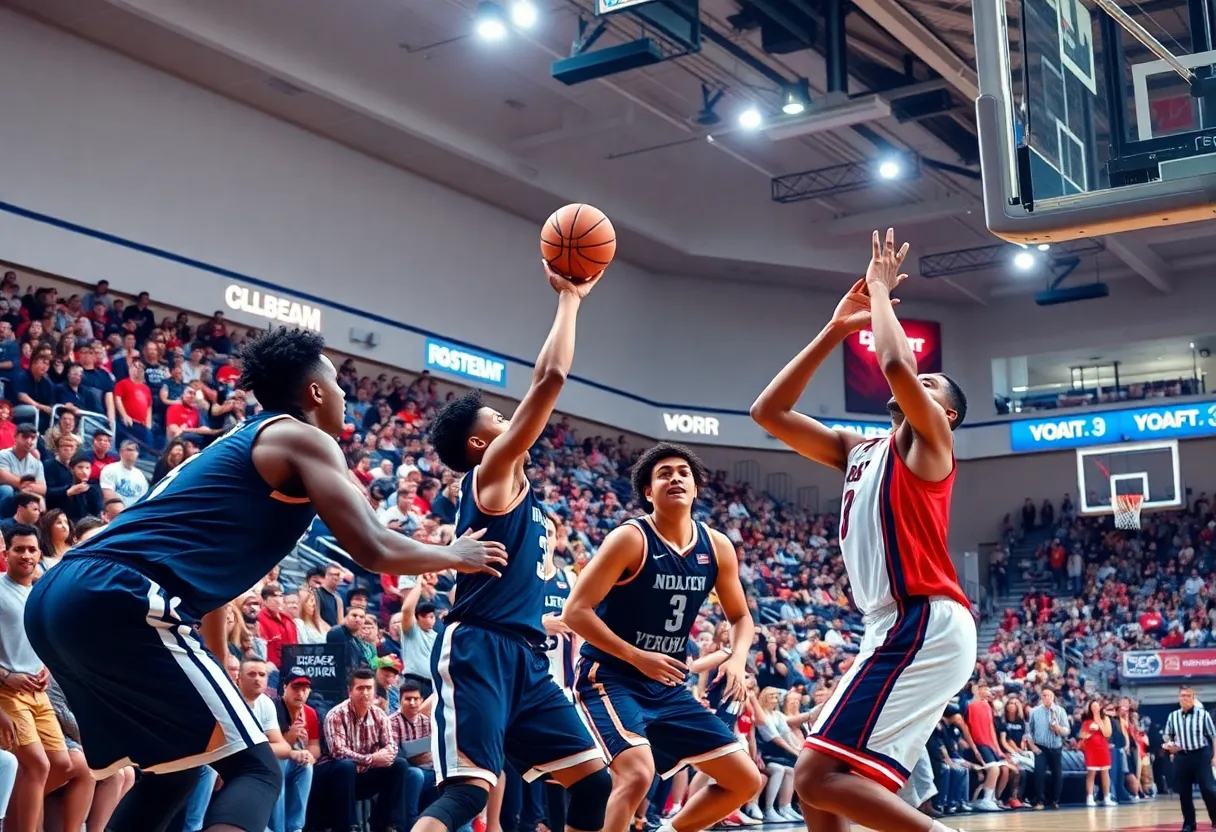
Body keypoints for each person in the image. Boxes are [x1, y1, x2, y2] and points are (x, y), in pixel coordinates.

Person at [24, 329, 505, 832]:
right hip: (120, 593)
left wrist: (217, 660)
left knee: (173, 774)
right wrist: (452, 553)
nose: (345, 396)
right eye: (338, 384)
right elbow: (373, 546)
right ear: (316, 393)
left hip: (63, 597)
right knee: (257, 770)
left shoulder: (243, 443)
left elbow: (211, 584)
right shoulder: (302, 436)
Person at [750, 229, 976, 832]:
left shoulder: (932, 444)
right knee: (819, 789)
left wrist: (878, 289)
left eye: (931, 387)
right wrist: (835, 331)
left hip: (922, 617)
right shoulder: (858, 448)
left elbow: (899, 363)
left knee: (816, 778)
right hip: (889, 624)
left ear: (946, 415)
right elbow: (767, 413)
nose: (916, 385)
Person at [420, 264, 611, 832]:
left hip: (527, 657)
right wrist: (571, 300)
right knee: (469, 793)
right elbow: (549, 380)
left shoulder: (520, 491)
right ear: (481, 442)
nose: (513, 421)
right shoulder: (492, 473)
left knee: (594, 781)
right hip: (479, 646)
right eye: (501, 419)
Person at [563, 443, 760, 832]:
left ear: (696, 487)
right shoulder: (631, 538)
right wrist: (637, 656)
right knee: (637, 774)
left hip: (667, 685)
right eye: (664, 473)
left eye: (683, 472)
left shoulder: (717, 546)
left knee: (746, 780)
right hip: (610, 676)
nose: (675, 477)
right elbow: (575, 611)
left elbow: (741, 618)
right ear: (649, 492)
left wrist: (736, 659)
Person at [1162, 686, 1216, 831]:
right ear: (1179, 698)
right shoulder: (1173, 716)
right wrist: (1171, 748)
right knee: (1184, 791)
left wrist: (1215, 756)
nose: (1184, 698)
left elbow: (1213, 736)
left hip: (1200, 753)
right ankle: (1189, 823)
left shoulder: (1203, 715)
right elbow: (1169, 736)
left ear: (1193, 698)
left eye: (1188, 696)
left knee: (1208, 788)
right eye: (1182, 695)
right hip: (1182, 756)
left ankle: (1215, 818)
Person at [1026, 688, 1068, 809]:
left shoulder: (1060, 711)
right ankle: (1039, 800)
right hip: (1040, 747)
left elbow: (1067, 730)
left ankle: (1054, 800)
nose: (1046, 697)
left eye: (1049, 695)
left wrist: (1059, 729)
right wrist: (1032, 746)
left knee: (1057, 775)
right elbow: (1029, 731)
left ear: (1053, 697)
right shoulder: (1034, 711)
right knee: (1039, 773)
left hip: (1056, 746)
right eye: (1044, 695)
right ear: (1041, 697)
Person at [1080, 700, 1114, 807]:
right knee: (1091, 773)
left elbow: (1107, 733)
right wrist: (1090, 731)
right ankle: (1090, 797)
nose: (1094, 708)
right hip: (1091, 749)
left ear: (1100, 707)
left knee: (1105, 773)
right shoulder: (1086, 721)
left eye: (1096, 706)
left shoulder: (1105, 719)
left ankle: (1107, 797)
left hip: (1103, 748)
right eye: (1092, 707)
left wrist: (1099, 723)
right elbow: (1082, 735)